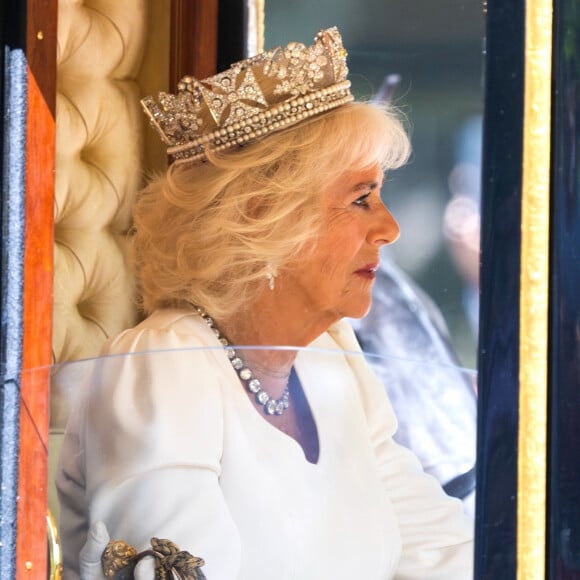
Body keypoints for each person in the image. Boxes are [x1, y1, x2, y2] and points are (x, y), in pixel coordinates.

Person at [56, 27, 474, 579]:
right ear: (262, 218)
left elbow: (447, 555)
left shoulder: (330, 360)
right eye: (361, 198)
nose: (389, 228)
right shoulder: (162, 365)